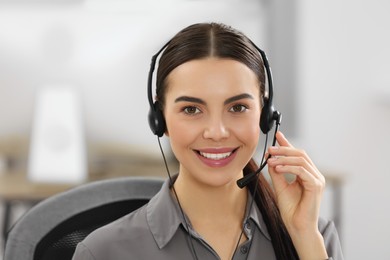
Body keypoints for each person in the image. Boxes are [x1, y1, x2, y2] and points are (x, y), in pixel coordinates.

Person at [72, 22, 343, 260]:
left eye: (237, 108)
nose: (217, 132)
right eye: (191, 109)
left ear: (265, 115)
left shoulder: (315, 236)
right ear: (160, 120)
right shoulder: (103, 252)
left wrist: (304, 238)